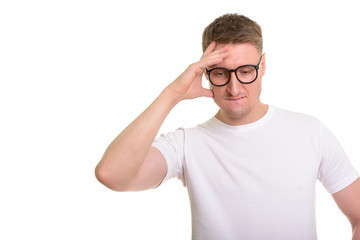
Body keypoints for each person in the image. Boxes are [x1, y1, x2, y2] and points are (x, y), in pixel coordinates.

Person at [95, 13, 360, 239]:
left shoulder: (310, 132)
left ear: (263, 65)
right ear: (205, 73)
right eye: (220, 73)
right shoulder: (186, 144)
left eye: (245, 71)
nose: (234, 89)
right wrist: (172, 93)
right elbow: (111, 175)